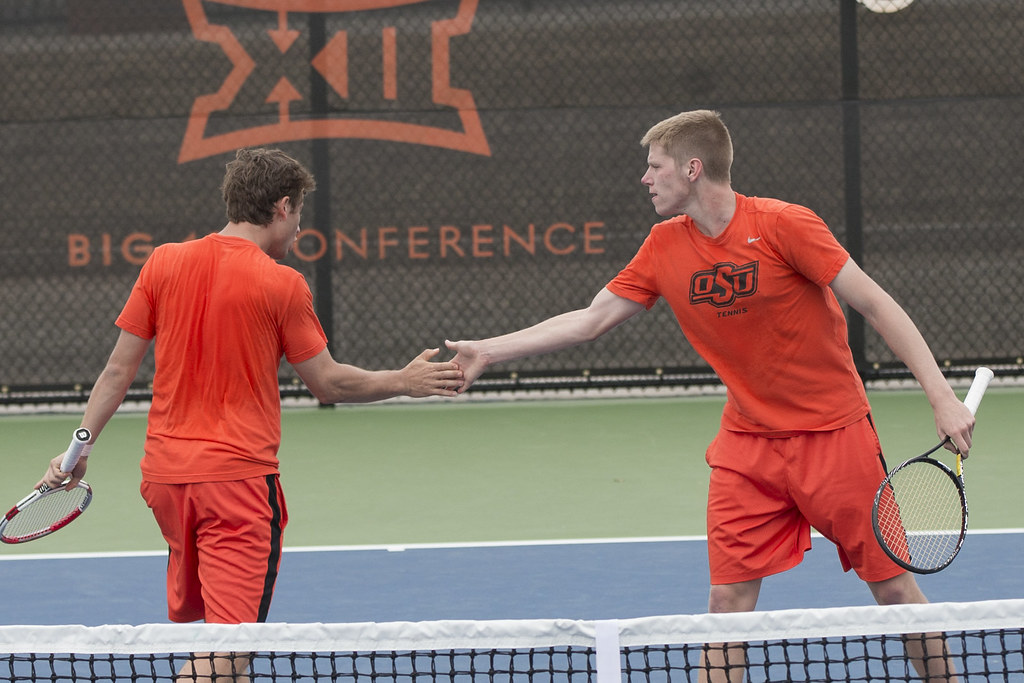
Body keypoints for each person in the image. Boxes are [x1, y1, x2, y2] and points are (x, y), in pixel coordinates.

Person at [445, 110, 973, 682]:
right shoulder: (663, 245)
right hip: (747, 448)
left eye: (655, 166)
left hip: (834, 437)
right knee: (726, 604)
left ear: (692, 169)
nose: (645, 178)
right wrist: (489, 351)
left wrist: (941, 396)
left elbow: (875, 303)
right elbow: (591, 319)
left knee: (894, 591)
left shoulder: (784, 225)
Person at [37, 147, 463, 681]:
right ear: (283, 206)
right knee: (231, 649)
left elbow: (117, 371)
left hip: (166, 483)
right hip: (235, 488)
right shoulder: (282, 283)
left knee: (225, 641)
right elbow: (328, 383)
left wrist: (77, 450)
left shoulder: (163, 262)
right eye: (299, 212)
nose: (300, 227)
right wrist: (405, 381)